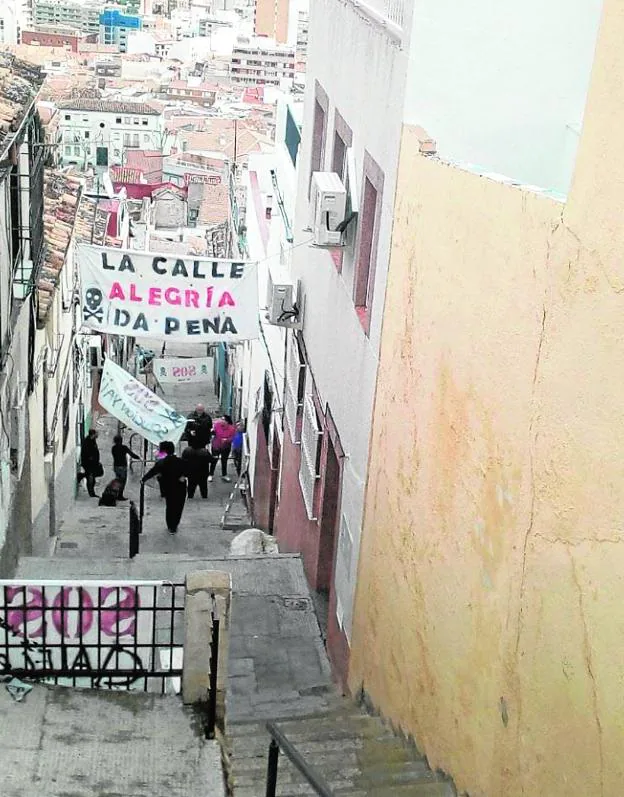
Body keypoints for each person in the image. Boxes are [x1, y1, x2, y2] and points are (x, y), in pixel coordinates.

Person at [141, 441, 187, 534]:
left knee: (170, 506)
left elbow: (152, 472)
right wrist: (184, 476)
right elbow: (190, 469)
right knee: (178, 507)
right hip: (180, 487)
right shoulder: (181, 461)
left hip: (168, 487)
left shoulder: (162, 463)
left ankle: (171, 526)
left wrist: (143, 479)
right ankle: (175, 524)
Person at [209, 414, 237, 483]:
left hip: (225, 447)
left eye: (223, 419)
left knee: (224, 461)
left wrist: (226, 440)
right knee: (214, 460)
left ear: (227, 421)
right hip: (216, 446)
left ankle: (224, 475)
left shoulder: (232, 428)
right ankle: (210, 474)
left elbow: (233, 438)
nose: (221, 420)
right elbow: (213, 432)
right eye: (221, 419)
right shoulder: (217, 425)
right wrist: (212, 432)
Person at [111, 434, 140, 500]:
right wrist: (138, 457)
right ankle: (120, 495)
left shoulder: (113, 448)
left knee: (118, 480)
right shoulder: (124, 447)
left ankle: (115, 493)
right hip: (123, 466)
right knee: (123, 481)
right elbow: (131, 454)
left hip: (116, 466)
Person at [79, 428, 101, 497]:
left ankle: (81, 475)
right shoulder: (87, 442)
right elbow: (87, 453)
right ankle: (92, 494)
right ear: (93, 434)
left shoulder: (92, 440)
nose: (97, 435)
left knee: (92, 476)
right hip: (88, 463)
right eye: (96, 434)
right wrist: (92, 459)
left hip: (93, 463)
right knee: (91, 479)